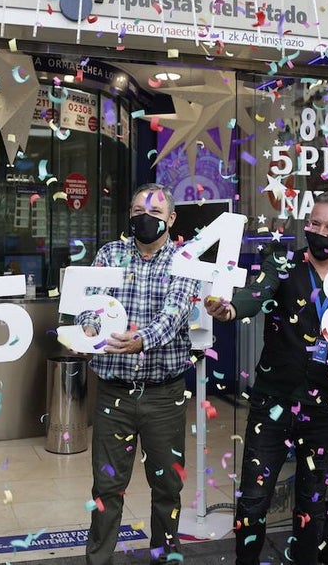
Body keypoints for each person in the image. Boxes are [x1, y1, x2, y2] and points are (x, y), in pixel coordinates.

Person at [205, 191, 328, 564]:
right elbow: (257, 294)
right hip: (272, 403)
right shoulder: (283, 265)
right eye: (314, 224)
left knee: (312, 502)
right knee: (254, 500)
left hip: (324, 409)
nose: (321, 233)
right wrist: (230, 309)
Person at [83, 183, 200, 565]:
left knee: (167, 486)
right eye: (137, 211)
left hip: (164, 395)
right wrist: (87, 328)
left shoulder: (184, 260)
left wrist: (142, 340)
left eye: (154, 212)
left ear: (171, 218)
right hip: (113, 393)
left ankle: (164, 557)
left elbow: (175, 314)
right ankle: (98, 560)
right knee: (106, 487)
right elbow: (90, 306)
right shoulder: (109, 254)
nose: (145, 218)